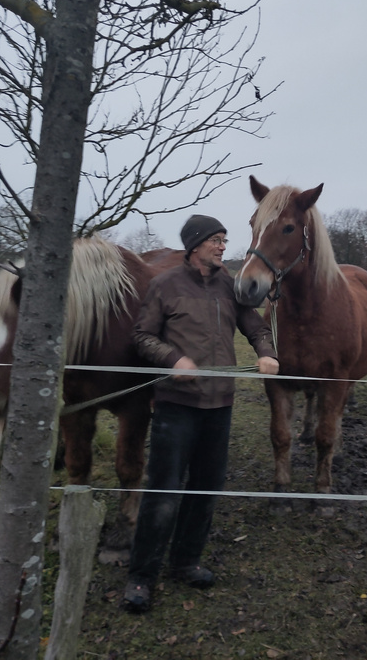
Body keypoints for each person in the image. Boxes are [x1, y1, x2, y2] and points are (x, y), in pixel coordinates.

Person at [122, 214, 279, 613]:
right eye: (216, 241)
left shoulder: (230, 286)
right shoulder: (164, 286)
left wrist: (266, 352)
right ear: (195, 245)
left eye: (225, 240)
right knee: (163, 492)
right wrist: (173, 359)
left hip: (219, 406)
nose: (224, 247)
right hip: (177, 406)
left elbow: (256, 327)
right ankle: (141, 576)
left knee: (206, 489)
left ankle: (185, 562)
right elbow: (142, 337)